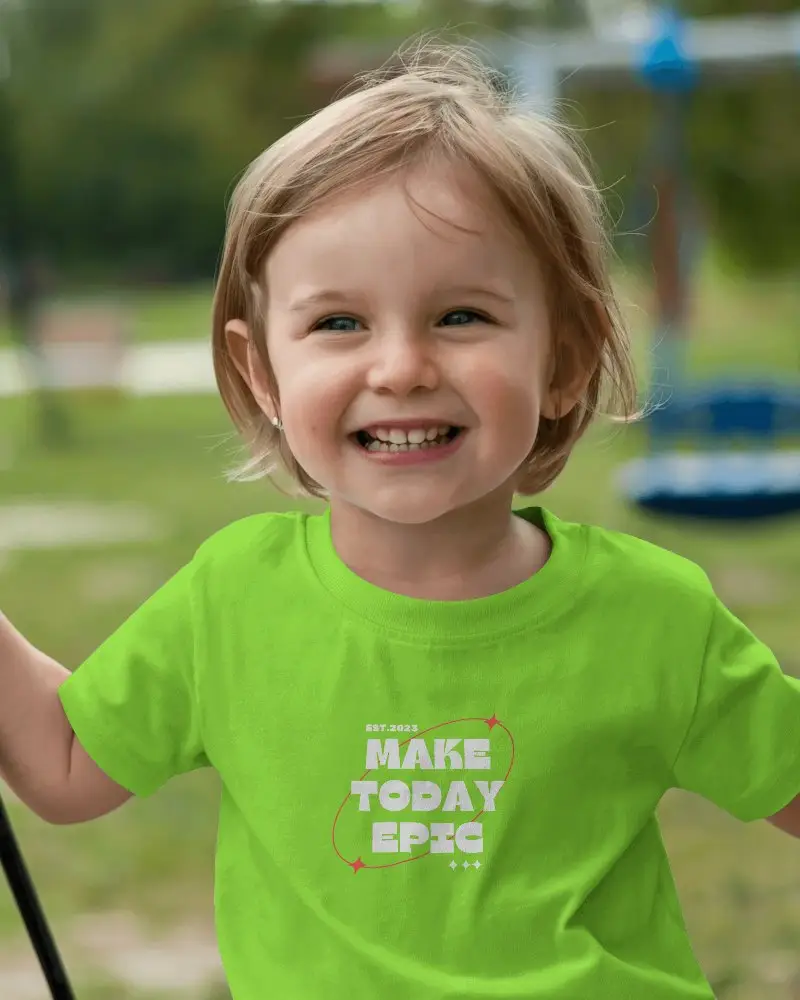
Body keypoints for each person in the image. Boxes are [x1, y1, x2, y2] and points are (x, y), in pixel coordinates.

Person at [1, 43, 799, 1000]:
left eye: (461, 315)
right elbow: (66, 764)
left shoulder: (658, 617)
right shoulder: (231, 602)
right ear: (263, 372)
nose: (402, 367)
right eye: (339, 324)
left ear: (566, 360)